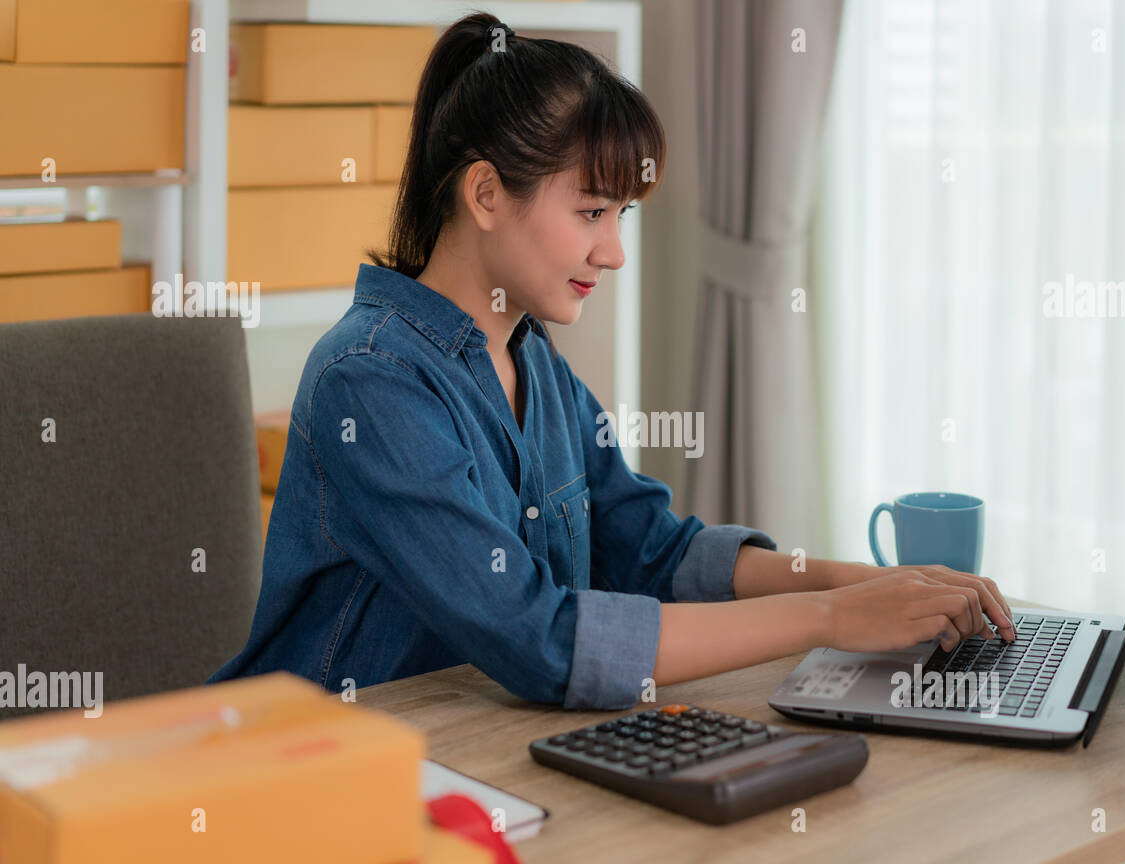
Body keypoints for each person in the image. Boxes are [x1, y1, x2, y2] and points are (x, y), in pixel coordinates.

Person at [208, 12, 1016, 708]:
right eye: (592, 211)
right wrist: (832, 619)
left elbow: (651, 550)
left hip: (479, 754)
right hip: (335, 782)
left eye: (621, 213)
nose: (615, 252)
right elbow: (542, 639)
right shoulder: (372, 380)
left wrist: (862, 583)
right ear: (485, 195)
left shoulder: (534, 360)